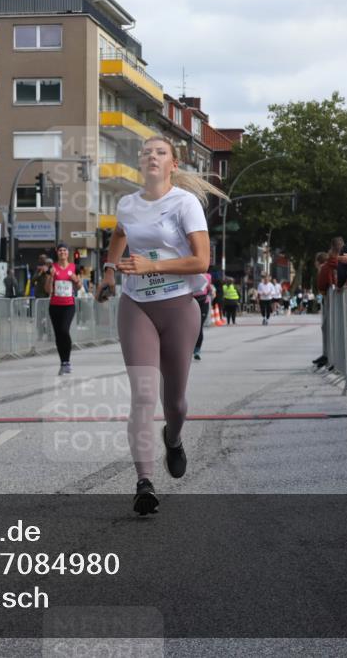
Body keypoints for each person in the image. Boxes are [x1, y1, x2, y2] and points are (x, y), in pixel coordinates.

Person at [94, 135, 225, 515]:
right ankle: (144, 482)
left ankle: (174, 436)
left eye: (160, 152)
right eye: (146, 153)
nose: (152, 157)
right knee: (143, 394)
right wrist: (108, 272)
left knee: (176, 402)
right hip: (137, 306)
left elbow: (201, 261)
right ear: (140, 163)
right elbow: (120, 234)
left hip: (180, 306)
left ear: (173, 165)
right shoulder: (128, 204)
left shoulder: (185, 204)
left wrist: (153, 265)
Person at [45, 242, 81, 375]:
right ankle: (63, 363)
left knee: (64, 330)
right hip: (54, 306)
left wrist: (75, 280)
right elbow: (47, 290)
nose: (62, 253)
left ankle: (68, 361)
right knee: (58, 334)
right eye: (60, 251)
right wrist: (51, 277)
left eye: (64, 250)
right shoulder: (52, 268)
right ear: (57, 252)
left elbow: (79, 286)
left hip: (68, 305)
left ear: (68, 252)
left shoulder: (73, 267)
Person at [192, 271, 215, 359]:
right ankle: (189, 348)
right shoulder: (190, 274)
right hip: (191, 302)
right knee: (191, 327)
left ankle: (197, 350)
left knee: (199, 326)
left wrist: (211, 291)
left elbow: (209, 288)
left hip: (203, 301)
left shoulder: (208, 276)